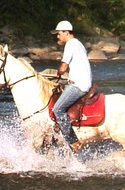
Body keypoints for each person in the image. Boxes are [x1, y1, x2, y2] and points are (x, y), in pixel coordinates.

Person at [51, 20, 92, 152]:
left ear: (66, 32)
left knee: (57, 109)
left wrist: (58, 74)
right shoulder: (78, 44)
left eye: (59, 33)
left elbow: (63, 66)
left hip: (79, 84)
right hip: (81, 81)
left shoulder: (70, 44)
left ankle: (73, 142)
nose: (58, 36)